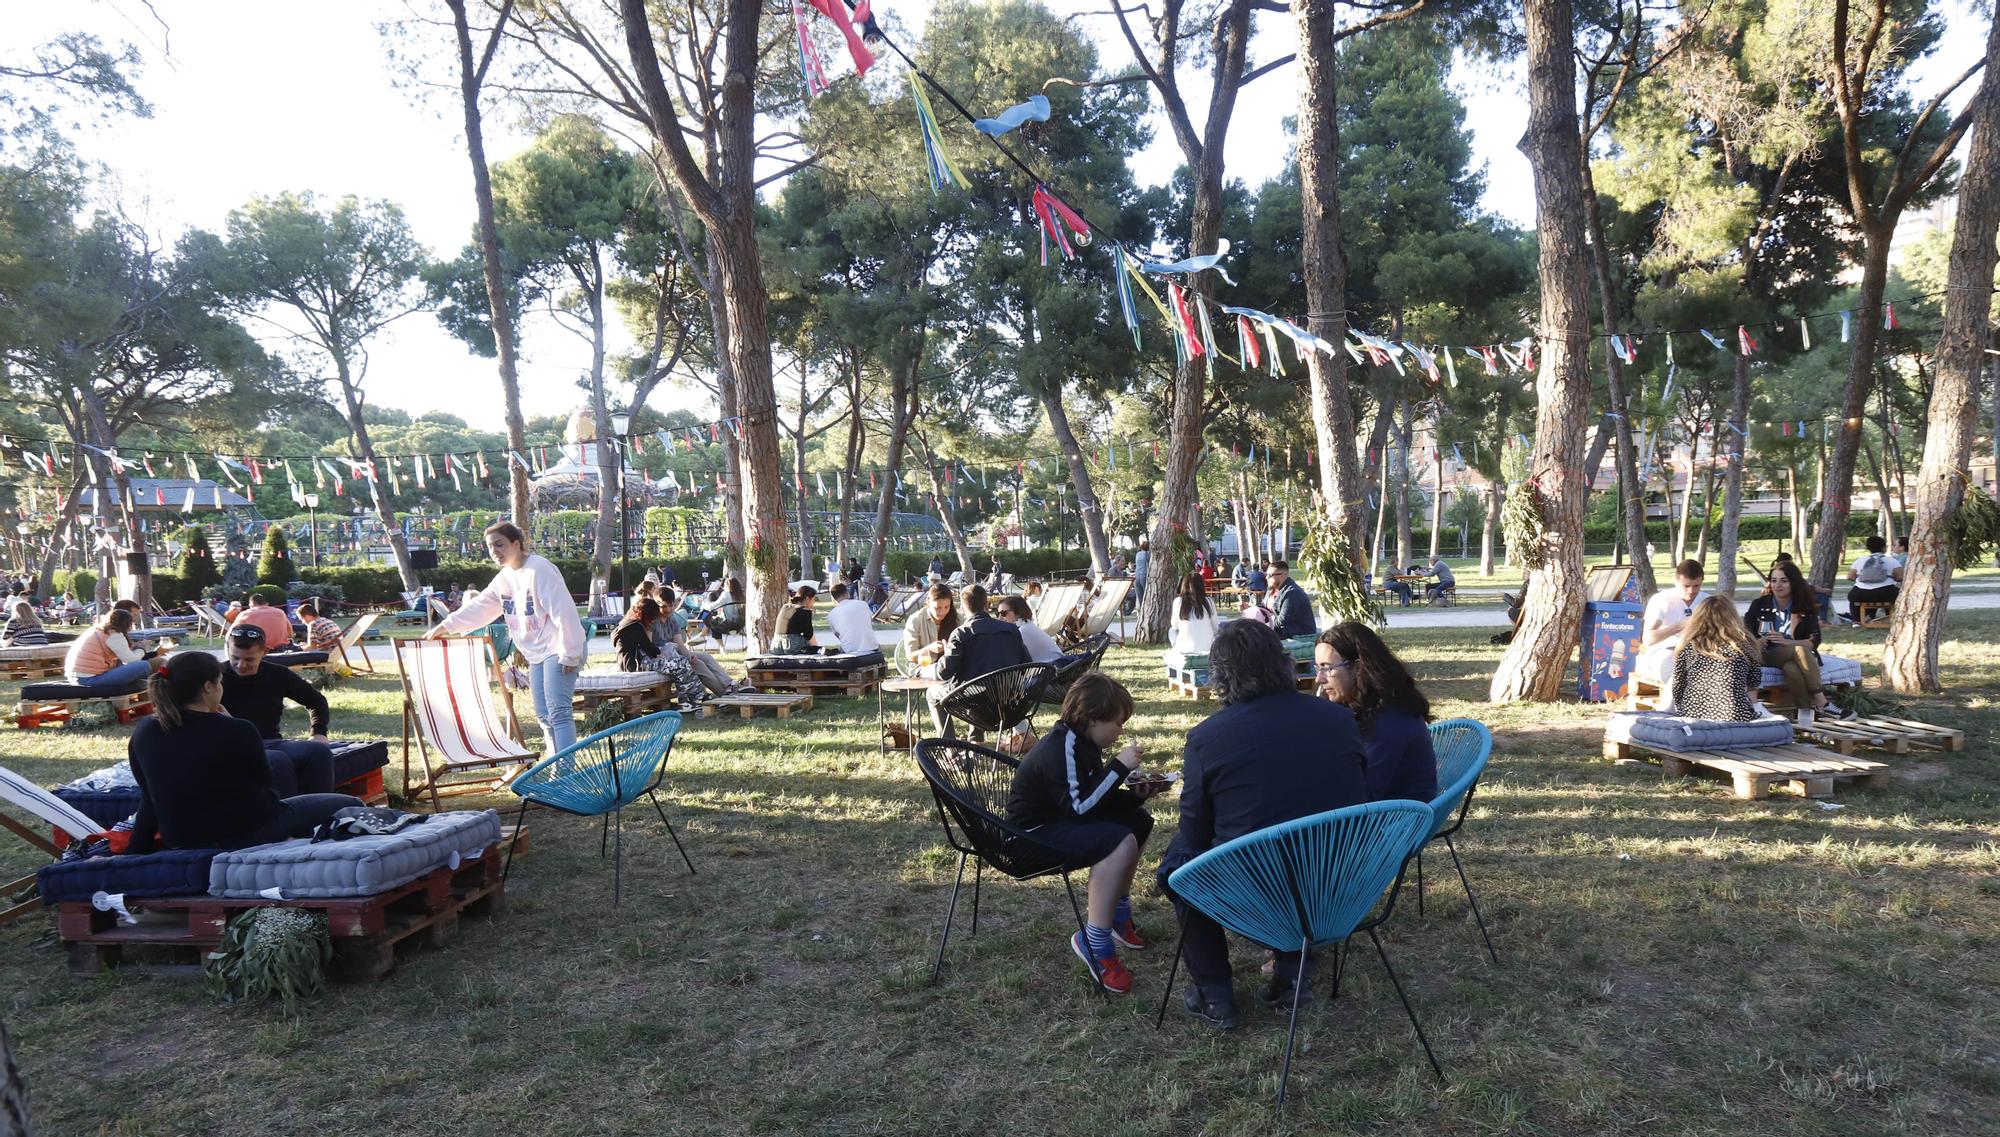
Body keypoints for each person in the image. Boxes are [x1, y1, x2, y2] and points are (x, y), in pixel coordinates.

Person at [1158, 621, 1370, 1029]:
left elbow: (1194, 834)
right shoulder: (1339, 720)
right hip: (1338, 885)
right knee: (1295, 844)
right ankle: (1292, 975)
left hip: (1255, 897)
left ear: (1219, 677)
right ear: (1285, 663)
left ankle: (1215, 993)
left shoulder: (1208, 738)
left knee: (1179, 865)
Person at [1007, 674, 1163, 994]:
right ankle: (1095, 942)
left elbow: (1093, 799)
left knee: (1138, 822)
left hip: (1058, 823)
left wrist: (1137, 795)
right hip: (1027, 839)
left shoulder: (1083, 742)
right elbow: (1082, 809)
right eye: (1118, 723)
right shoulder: (1061, 746)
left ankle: (1117, 914)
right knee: (1118, 842)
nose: (1120, 731)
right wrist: (1118, 768)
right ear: (1093, 719)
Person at [127, 651, 362, 853]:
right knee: (350, 803)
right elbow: (264, 788)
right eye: (219, 682)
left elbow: (149, 798)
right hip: (245, 833)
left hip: (180, 839)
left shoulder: (145, 730)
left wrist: (134, 853)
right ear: (208, 687)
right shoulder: (237, 729)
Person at [427, 520, 589, 753]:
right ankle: (557, 768)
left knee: (559, 713)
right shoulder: (505, 577)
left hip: (560, 650)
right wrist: (444, 626)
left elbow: (564, 612)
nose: (495, 552)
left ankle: (565, 774)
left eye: (499, 545)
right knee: (544, 716)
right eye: (490, 547)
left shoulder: (539, 569)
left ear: (517, 543)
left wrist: (570, 654)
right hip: (537, 655)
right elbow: (480, 606)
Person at [1315, 622, 1438, 802]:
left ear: (1357, 668)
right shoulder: (1362, 707)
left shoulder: (1389, 720)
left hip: (1393, 823)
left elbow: (1363, 797)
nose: (1319, 678)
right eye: (1317, 668)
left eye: (1327, 668)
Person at [220, 623, 337, 798]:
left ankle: (321, 813)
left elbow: (316, 701)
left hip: (271, 742)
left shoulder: (277, 674)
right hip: (233, 748)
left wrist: (319, 733)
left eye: (249, 660)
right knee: (276, 760)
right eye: (235, 658)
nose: (240, 665)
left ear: (265, 652)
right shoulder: (215, 677)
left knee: (318, 752)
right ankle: (286, 819)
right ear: (227, 649)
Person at [1743, 560, 1850, 720]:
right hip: (1766, 653)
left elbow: (1813, 642)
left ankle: (1805, 716)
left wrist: (1788, 642)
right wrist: (1757, 641)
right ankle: (1822, 702)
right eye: (1774, 580)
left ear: (1793, 583)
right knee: (1799, 651)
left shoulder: (1804, 607)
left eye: (1784, 581)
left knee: (1792, 668)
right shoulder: (1760, 604)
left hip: (1793, 654)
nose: (1778, 585)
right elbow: (1745, 631)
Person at [929, 584, 1029, 736]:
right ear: (986, 605)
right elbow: (1027, 664)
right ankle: (976, 738)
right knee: (978, 686)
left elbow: (944, 673)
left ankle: (951, 748)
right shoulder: (1011, 629)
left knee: (932, 693)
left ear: (963, 608)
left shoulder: (961, 633)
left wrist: (943, 656)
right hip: (1009, 703)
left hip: (973, 702)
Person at [1669, 595, 1762, 722]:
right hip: (1734, 713)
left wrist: (1681, 709)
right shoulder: (1744, 645)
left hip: (1692, 712)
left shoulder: (1689, 645)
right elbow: (1753, 684)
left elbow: (1678, 685)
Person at [614, 598, 706, 708]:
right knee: (680, 663)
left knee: (680, 662)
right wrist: (659, 655)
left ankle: (689, 699)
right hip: (635, 664)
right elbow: (648, 647)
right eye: (652, 617)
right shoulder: (635, 627)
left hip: (635, 662)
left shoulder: (627, 623)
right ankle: (696, 697)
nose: (653, 621)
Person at [1640, 560, 1709, 678]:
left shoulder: (1707, 600)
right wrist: (1680, 626)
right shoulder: (1661, 600)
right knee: (1675, 677)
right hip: (1665, 651)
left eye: (1696, 586)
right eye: (1686, 586)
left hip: (1700, 651)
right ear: (1676, 582)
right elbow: (1648, 639)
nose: (1691, 591)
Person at [64, 608, 164, 688]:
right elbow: (130, 660)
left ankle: (142, 683)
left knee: (124, 665)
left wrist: (137, 648)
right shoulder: (113, 634)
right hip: (89, 679)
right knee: (144, 666)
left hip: (76, 677)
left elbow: (123, 656)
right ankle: (150, 685)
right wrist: (142, 648)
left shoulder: (98, 630)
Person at [901, 583, 959, 676]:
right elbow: (910, 656)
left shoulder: (957, 618)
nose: (942, 612)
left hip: (951, 665)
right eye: (937, 608)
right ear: (928, 602)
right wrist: (929, 649)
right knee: (939, 673)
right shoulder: (915, 620)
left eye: (946, 607)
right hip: (922, 667)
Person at [1847, 535, 1903, 622]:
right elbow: (1900, 577)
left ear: (1868, 548)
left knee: (1852, 597)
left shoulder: (1860, 560)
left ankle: (1856, 620)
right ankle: (1889, 617)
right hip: (1885, 593)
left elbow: (1850, 577)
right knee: (1898, 594)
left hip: (1861, 594)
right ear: (1884, 548)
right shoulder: (1892, 561)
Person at [994, 595, 1064, 664]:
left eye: (1003, 613)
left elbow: (1009, 657)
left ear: (1018, 612)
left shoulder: (1022, 631)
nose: (999, 618)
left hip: (1051, 669)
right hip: (1058, 667)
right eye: (998, 614)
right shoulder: (1027, 625)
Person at [823, 581, 881, 657]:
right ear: (847, 593)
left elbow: (838, 635)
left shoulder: (831, 615)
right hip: (872, 647)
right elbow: (869, 622)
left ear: (834, 598)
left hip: (850, 651)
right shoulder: (862, 604)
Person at [1265, 559, 1317, 639]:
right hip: (1282, 630)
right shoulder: (1271, 589)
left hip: (1299, 633)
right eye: (1266, 574)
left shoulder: (1292, 593)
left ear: (1283, 575)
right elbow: (1264, 610)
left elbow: (1282, 620)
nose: (1266, 577)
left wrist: (1263, 626)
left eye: (1270, 575)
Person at [1168, 572, 1218, 655]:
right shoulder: (1209, 601)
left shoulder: (1178, 601)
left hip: (1184, 649)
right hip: (1207, 648)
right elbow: (1215, 626)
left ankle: (1176, 651)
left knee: (1171, 631)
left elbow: (1174, 626)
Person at [772, 586, 818, 654]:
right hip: (792, 646)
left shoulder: (785, 607)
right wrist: (816, 648)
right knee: (811, 644)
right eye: (814, 599)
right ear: (807, 599)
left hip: (776, 645)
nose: (814, 602)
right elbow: (808, 635)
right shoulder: (806, 611)